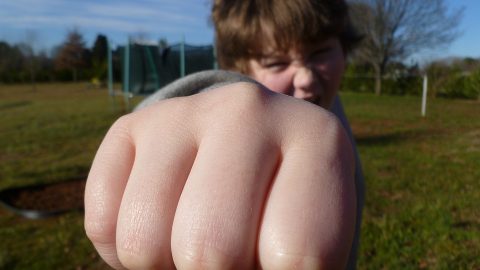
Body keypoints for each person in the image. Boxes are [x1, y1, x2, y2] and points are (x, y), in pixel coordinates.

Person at [84, 0, 365, 269]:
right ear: (241, 67)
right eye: (276, 63)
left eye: (320, 53)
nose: (306, 78)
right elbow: (232, 100)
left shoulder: (327, 103)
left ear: (343, 47)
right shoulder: (257, 90)